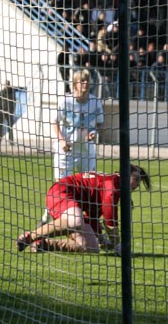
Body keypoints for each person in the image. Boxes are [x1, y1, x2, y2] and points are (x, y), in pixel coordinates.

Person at [16, 164, 151, 253]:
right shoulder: (112, 187)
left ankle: (43, 244)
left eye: (136, 186)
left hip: (73, 207)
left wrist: (102, 240)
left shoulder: (112, 187)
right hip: (60, 192)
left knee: (91, 248)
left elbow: (93, 217)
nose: (134, 188)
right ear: (122, 176)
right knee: (76, 221)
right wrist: (117, 244)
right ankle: (30, 237)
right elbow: (110, 220)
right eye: (134, 183)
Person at [40, 69, 104, 225]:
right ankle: (46, 218)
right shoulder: (66, 101)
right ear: (75, 84)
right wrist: (61, 140)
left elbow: (100, 123)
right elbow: (54, 121)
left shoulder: (95, 102)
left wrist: (94, 133)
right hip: (66, 150)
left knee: (91, 185)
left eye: (87, 80)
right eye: (82, 81)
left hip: (86, 149)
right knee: (61, 186)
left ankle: (90, 221)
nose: (85, 83)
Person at [0, 80, 16, 145]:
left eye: (8, 84)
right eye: (6, 84)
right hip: (1, 111)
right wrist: (0, 109)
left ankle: (11, 141)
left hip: (9, 112)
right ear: (4, 85)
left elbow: (14, 102)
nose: (7, 85)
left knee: (10, 126)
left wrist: (12, 110)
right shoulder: (1, 92)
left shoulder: (12, 93)